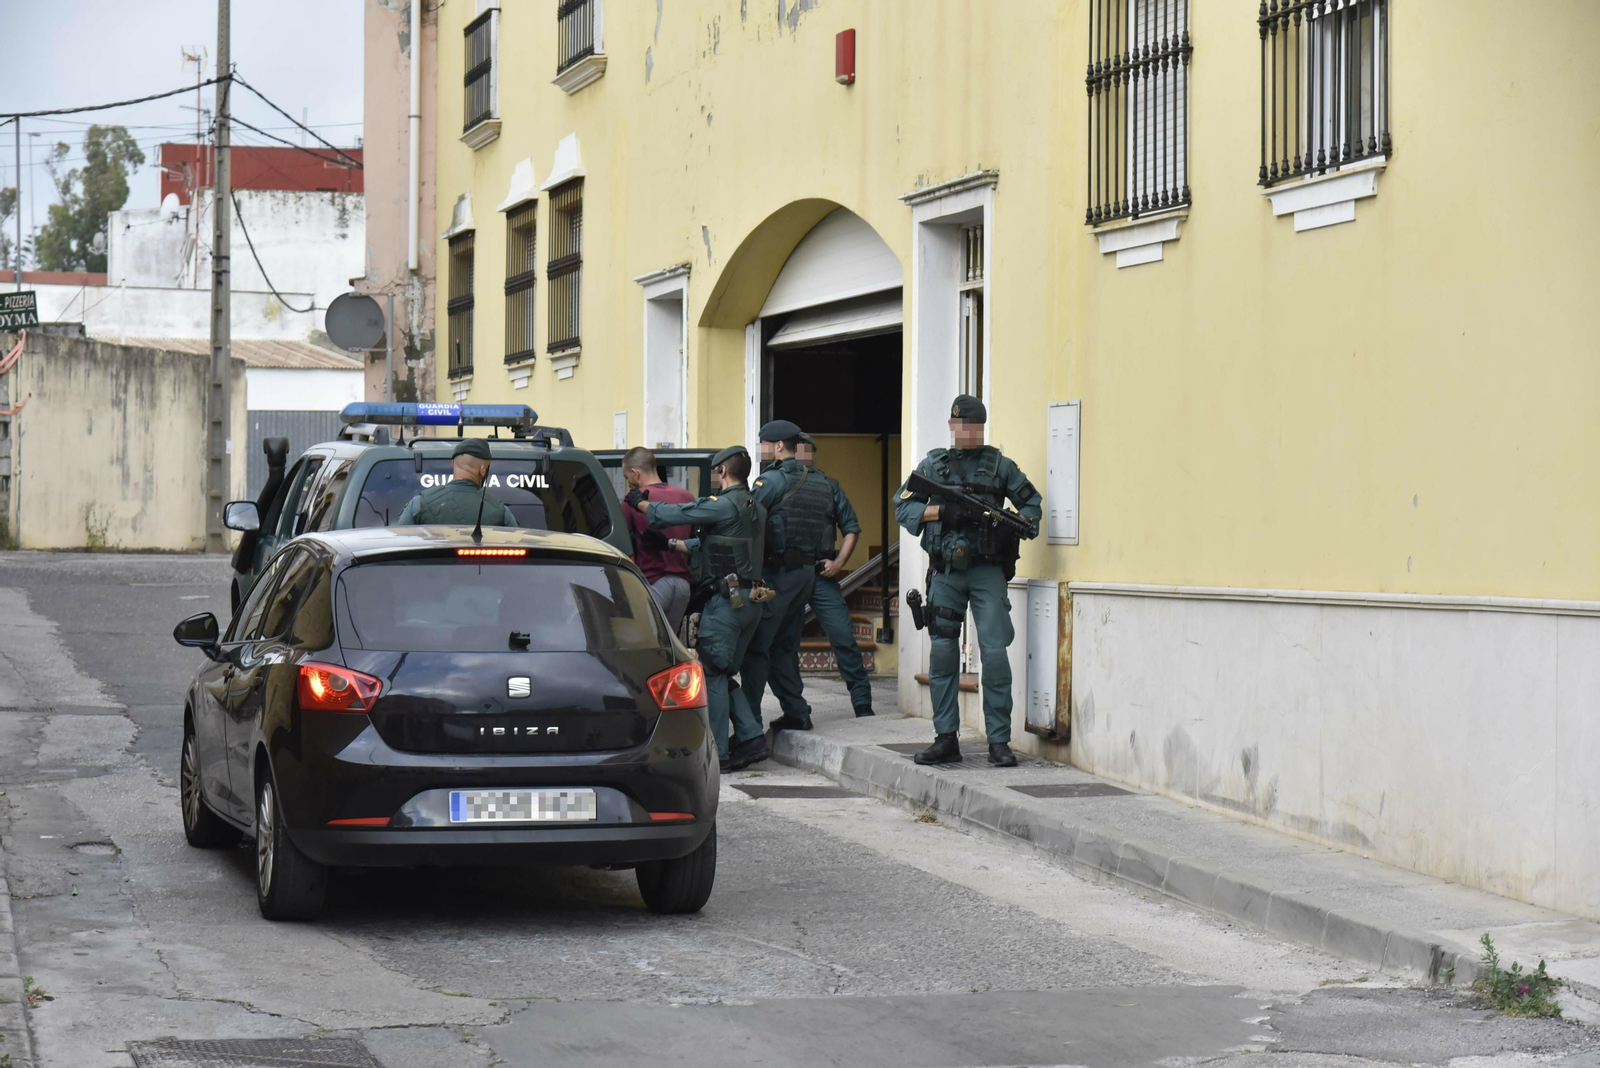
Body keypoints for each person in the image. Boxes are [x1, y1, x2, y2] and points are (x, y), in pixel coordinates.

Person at [895, 394, 1042, 767]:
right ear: (951, 426)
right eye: (960, 425)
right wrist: (941, 510)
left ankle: (998, 742)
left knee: (994, 654)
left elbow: (1031, 503)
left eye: (974, 426)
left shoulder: (999, 466)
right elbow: (903, 505)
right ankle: (946, 738)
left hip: (988, 570)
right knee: (943, 653)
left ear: (981, 427)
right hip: (946, 571)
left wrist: (1020, 521)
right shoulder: (934, 465)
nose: (966, 432)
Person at [636, 445, 769, 772]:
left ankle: (719, 753)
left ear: (722, 471)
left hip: (728, 602)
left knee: (711, 672)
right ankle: (751, 737)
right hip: (750, 600)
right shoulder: (756, 508)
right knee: (721, 672)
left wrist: (642, 505)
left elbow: (678, 514)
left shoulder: (723, 505)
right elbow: (718, 545)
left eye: (714, 471)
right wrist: (671, 545)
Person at [741, 420, 835, 733]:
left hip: (777, 575)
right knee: (784, 646)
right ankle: (796, 711)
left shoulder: (772, 481)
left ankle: (748, 726)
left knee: (757, 648)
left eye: (764, 443)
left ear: (779, 446)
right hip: (805, 574)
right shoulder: (820, 481)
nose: (762, 449)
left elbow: (746, 518)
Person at [796, 433, 874, 718]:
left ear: (814, 455)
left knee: (843, 635)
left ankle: (862, 703)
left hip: (820, 573)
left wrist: (840, 562)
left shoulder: (829, 487)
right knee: (783, 641)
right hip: (787, 573)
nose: (804, 456)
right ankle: (794, 707)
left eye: (808, 451)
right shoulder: (777, 483)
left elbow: (852, 527)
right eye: (800, 451)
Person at [620, 447, 694, 632]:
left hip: (654, 584)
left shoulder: (632, 501)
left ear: (636, 474)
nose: (628, 482)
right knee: (670, 648)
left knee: (645, 645)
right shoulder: (687, 496)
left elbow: (622, 544)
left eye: (626, 476)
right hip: (683, 587)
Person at [396, 438, 517, 526]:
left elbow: (400, 546)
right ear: (483, 470)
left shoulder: (419, 504)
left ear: (453, 463)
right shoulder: (500, 511)